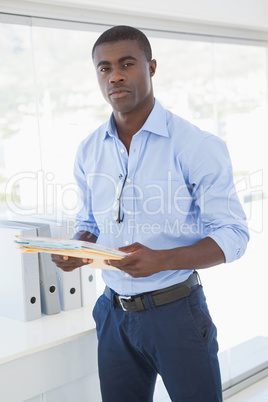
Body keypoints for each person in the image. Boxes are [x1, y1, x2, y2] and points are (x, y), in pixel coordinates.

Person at [52, 25, 249, 402]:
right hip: (112, 315)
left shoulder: (197, 145)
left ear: (151, 67)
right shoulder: (88, 149)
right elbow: (89, 223)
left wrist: (162, 260)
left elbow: (234, 236)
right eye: (104, 68)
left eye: (127, 63)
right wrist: (79, 248)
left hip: (176, 314)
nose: (115, 76)